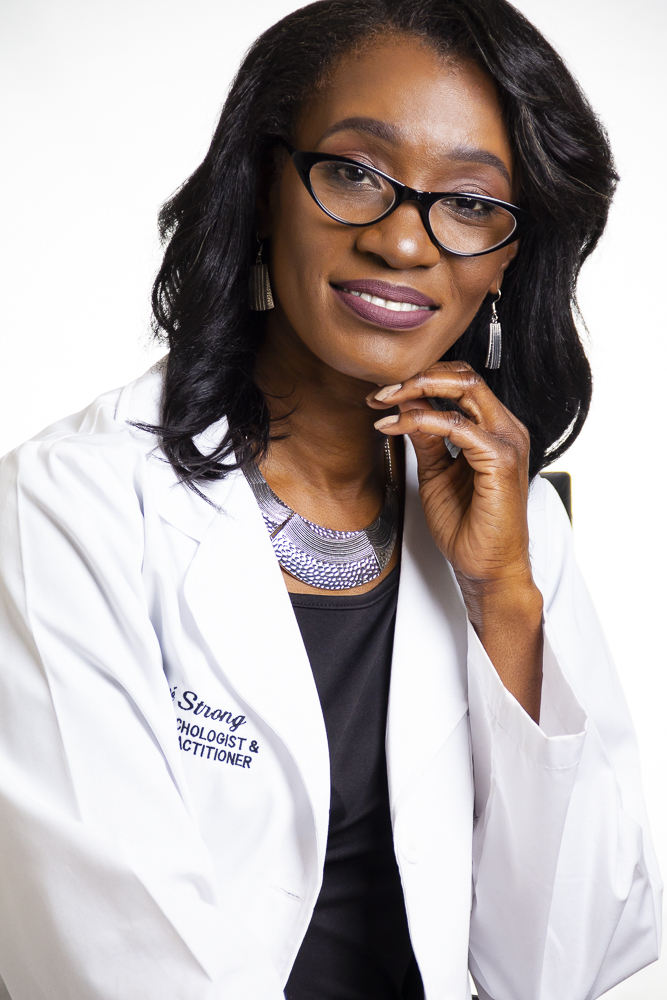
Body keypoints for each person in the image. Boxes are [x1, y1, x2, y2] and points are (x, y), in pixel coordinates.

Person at [0, 0, 661, 997]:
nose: (402, 242)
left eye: (469, 201)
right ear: (264, 185)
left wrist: (503, 600)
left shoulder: (513, 526)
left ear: (506, 259)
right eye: (354, 172)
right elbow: (113, 961)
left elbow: (564, 962)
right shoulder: (67, 508)